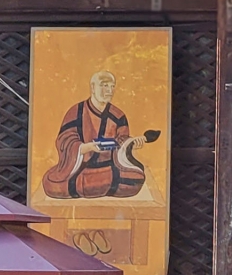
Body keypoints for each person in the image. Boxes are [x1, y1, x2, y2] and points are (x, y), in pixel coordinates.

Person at [41, 70, 158, 199]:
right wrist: (87, 147)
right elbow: (64, 140)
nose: (109, 90)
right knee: (52, 185)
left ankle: (91, 186)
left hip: (110, 167)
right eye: (104, 85)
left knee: (136, 179)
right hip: (81, 168)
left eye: (112, 86)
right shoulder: (77, 111)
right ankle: (96, 186)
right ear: (93, 87)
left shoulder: (118, 115)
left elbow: (121, 142)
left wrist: (130, 144)